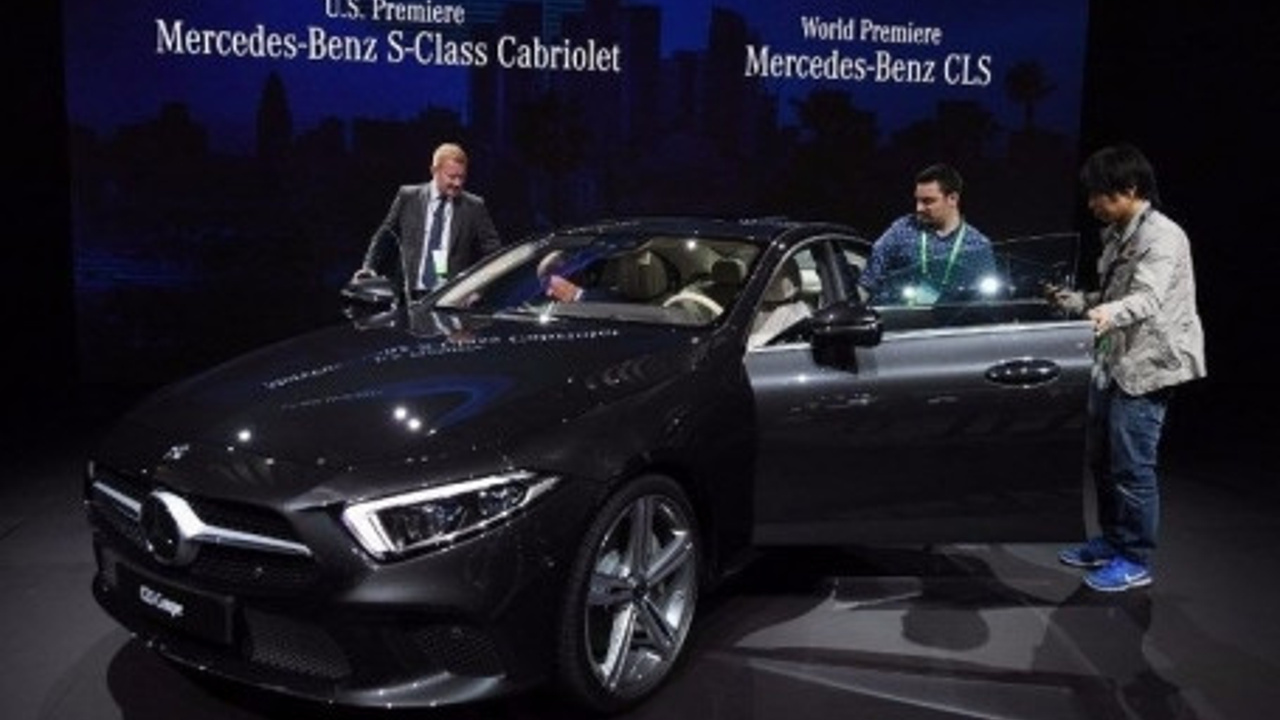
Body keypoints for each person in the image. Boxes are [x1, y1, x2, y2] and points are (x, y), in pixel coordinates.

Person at [1049, 143, 1206, 593]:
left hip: (1149, 365)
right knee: (1102, 460)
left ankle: (1135, 558)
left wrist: (1104, 314)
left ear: (1130, 188)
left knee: (1133, 467)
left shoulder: (1163, 237)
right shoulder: (1118, 234)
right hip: (1114, 360)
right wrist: (1077, 302)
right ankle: (1112, 541)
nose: (1092, 204)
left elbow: (1147, 299)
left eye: (1098, 194)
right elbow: (1114, 294)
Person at [354, 142, 502, 297]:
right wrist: (369, 267)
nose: (458, 183)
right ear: (434, 171)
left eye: (462, 177)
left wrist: (479, 290)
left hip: (449, 298)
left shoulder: (474, 206)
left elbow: (494, 254)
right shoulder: (408, 196)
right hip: (407, 297)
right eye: (452, 177)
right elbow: (384, 235)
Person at [859, 163, 997, 305]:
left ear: (953, 199)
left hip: (953, 319)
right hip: (899, 317)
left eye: (927, 201)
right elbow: (867, 283)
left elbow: (987, 303)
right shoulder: (901, 230)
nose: (918, 208)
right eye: (917, 200)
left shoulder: (978, 245)